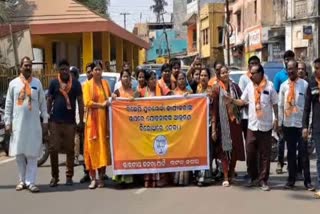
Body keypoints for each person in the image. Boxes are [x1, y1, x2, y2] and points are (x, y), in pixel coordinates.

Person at [4, 57, 48, 193]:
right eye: (26, 65)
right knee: (19, 154)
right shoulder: (13, 84)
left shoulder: (37, 83)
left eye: (30, 65)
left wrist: (45, 120)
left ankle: (31, 182)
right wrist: (7, 122)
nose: (28, 67)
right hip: (18, 125)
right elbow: (9, 104)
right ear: (20, 66)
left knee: (33, 154)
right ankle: (22, 180)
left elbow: (43, 104)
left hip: (33, 125)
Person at [231, 64, 278, 191]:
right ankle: (253, 177)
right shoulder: (249, 86)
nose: (251, 75)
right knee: (250, 153)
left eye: (253, 73)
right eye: (250, 73)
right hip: (252, 125)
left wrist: (276, 119)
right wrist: (231, 100)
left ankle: (263, 180)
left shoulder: (270, 86)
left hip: (265, 126)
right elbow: (242, 101)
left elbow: (274, 104)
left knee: (265, 155)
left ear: (261, 73)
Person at [47, 59, 84, 187]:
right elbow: (49, 100)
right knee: (53, 149)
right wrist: (47, 118)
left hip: (70, 122)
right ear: (59, 70)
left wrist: (81, 121)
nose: (64, 71)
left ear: (69, 70)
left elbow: (80, 102)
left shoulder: (76, 84)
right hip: (55, 122)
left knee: (70, 150)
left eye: (66, 69)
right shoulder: (53, 83)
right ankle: (55, 177)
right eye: (62, 69)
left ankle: (69, 177)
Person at [278, 60, 314, 191]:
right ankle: (291, 180)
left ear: (296, 69)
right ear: (286, 70)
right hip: (288, 124)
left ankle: (308, 182)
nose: (291, 71)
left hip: (301, 125)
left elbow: (308, 107)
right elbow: (281, 106)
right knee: (291, 154)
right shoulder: (283, 86)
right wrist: (280, 122)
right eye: (289, 69)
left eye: (293, 68)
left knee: (304, 154)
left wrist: (308, 126)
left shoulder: (304, 85)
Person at [211, 66, 245, 187]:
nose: (225, 74)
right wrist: (214, 128)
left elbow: (243, 101)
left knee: (234, 150)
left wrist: (234, 101)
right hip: (223, 124)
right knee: (225, 151)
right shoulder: (216, 89)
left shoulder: (235, 87)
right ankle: (225, 176)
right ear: (219, 75)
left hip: (235, 123)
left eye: (226, 72)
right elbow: (214, 110)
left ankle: (231, 174)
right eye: (222, 73)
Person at [83, 61, 111, 189]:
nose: (98, 72)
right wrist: (101, 105)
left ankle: (101, 177)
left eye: (100, 69)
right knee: (92, 149)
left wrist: (112, 99)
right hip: (92, 123)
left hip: (103, 122)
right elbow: (88, 102)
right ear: (92, 72)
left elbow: (109, 99)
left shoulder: (105, 84)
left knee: (103, 149)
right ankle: (93, 178)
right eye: (95, 70)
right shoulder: (87, 85)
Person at [112, 69, 137, 187]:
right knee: (121, 153)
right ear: (121, 79)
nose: (126, 79)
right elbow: (111, 103)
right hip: (120, 128)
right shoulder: (117, 92)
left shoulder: (135, 93)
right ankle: (119, 176)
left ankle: (129, 178)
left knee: (130, 153)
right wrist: (112, 98)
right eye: (124, 77)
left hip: (132, 128)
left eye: (128, 77)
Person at [273, 50, 295, 174]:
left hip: (295, 114)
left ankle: (292, 165)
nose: (287, 61)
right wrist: (277, 118)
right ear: (284, 60)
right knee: (282, 140)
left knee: (293, 143)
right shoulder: (279, 76)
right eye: (286, 59)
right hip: (283, 114)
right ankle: (280, 162)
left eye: (290, 58)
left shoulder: (297, 74)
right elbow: (276, 98)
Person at [303, 58, 320, 198]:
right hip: (317, 126)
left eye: (319, 68)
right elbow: (307, 108)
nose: (317, 71)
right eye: (315, 68)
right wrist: (305, 126)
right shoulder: (312, 84)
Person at [173, 72, 193, 186]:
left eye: (183, 79)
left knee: (186, 152)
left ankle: (186, 178)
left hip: (187, 127)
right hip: (176, 128)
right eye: (179, 79)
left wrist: (189, 97)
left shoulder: (190, 93)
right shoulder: (172, 93)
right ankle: (177, 178)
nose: (181, 81)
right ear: (176, 80)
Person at [196, 67, 214, 186]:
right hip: (197, 126)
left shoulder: (211, 90)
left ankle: (207, 175)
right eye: (201, 75)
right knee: (199, 150)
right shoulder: (196, 90)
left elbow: (213, 110)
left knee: (208, 150)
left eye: (205, 75)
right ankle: (199, 175)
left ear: (208, 77)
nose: (203, 77)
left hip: (208, 124)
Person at [238, 56, 261, 139]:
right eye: (252, 63)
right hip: (247, 116)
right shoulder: (243, 78)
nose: (254, 65)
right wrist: (251, 105)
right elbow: (242, 98)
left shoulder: (264, 78)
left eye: (256, 63)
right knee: (250, 142)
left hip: (260, 116)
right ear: (248, 66)